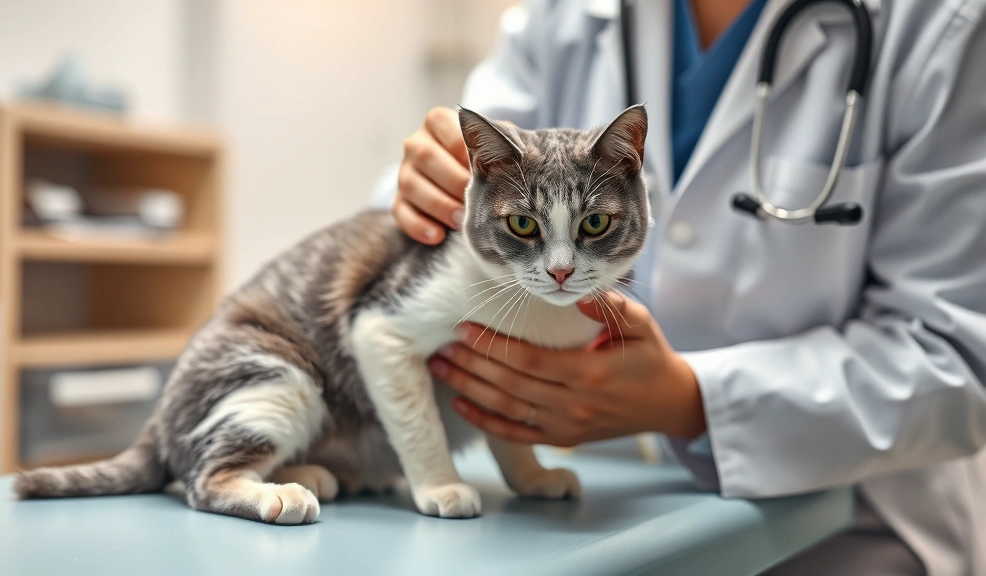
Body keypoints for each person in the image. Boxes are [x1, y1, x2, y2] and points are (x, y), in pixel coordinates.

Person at [372, 0, 986, 573]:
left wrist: (691, 402)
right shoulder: (567, 14)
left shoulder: (939, 22)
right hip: (592, 506)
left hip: (852, 519)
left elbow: (959, 357)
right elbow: (415, 239)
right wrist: (431, 186)